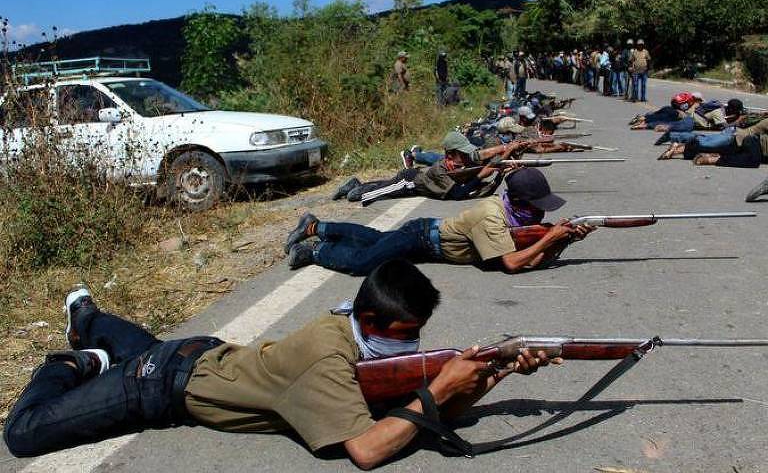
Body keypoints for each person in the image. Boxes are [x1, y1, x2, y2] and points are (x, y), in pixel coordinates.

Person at [2, 261, 558, 468]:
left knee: (140, 345)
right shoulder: (328, 356)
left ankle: (91, 318)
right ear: (367, 318)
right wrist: (438, 389)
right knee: (23, 435)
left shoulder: (357, 333)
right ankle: (75, 362)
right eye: (403, 336)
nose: (411, 347)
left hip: (205, 356)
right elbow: (367, 450)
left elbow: (430, 412)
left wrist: (491, 374)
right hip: (164, 384)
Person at [287, 168, 595, 276]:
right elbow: (513, 264)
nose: (541, 214)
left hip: (429, 240)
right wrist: (550, 237)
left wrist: (563, 240)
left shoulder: (512, 214)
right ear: (518, 201)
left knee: (375, 239)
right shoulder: (492, 216)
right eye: (536, 207)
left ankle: (316, 226)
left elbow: (532, 261)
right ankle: (315, 251)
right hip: (421, 238)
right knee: (365, 263)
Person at [338, 131, 530, 206]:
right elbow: (459, 194)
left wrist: (508, 152)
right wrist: (482, 175)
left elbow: (485, 158)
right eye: (461, 154)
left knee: (381, 185)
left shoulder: (459, 163)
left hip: (417, 181)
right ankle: (354, 187)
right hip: (409, 181)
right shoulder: (440, 169)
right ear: (449, 154)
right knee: (366, 196)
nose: (466, 158)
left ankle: (357, 183)